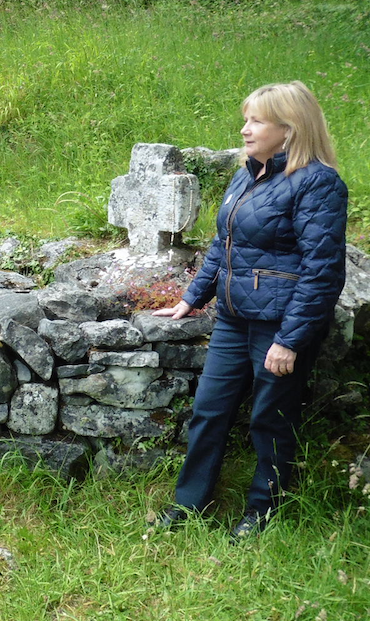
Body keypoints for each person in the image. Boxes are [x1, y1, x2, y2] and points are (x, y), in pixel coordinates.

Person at [149, 81, 347, 541]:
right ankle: (189, 505)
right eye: (246, 118)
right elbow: (224, 245)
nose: (244, 129)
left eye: (256, 120)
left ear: (290, 127)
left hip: (279, 324)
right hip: (234, 319)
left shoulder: (318, 182)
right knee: (208, 411)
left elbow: (323, 272)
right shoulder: (247, 174)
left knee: (270, 419)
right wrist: (191, 298)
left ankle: (263, 511)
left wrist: (290, 340)